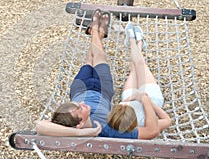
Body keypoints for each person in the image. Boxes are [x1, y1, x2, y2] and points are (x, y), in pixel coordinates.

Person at [35, 9, 171, 139]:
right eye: (80, 108)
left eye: (76, 104)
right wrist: (145, 99)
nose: (82, 103)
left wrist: (83, 133)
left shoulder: (67, 121)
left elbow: (40, 126)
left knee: (89, 60)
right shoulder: (106, 129)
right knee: (99, 58)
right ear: (80, 124)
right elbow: (151, 131)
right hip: (102, 91)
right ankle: (96, 31)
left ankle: (96, 32)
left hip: (80, 87)